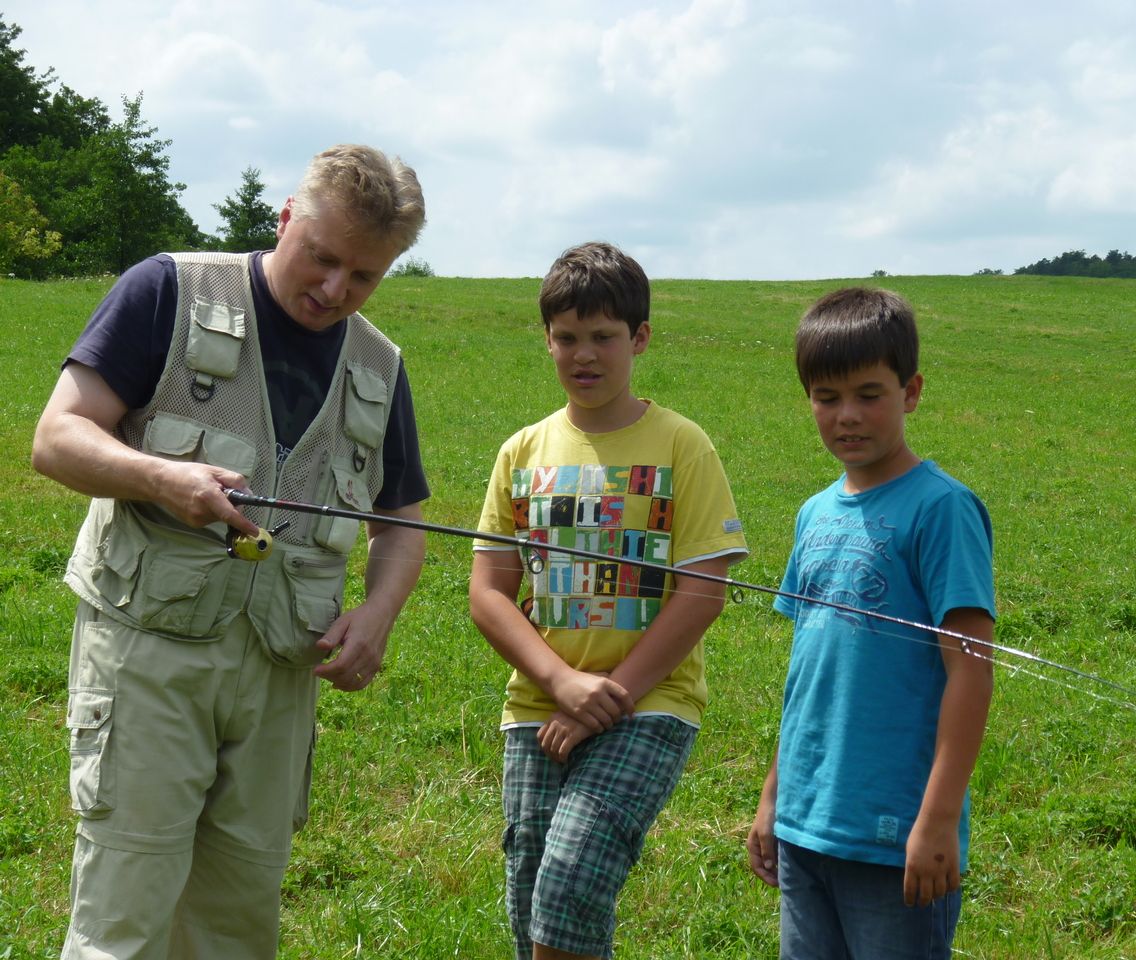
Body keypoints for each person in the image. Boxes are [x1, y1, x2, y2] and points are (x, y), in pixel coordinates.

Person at [31, 144, 430, 959]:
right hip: (148, 656)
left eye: (363, 276)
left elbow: (403, 522)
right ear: (285, 219)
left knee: (236, 927)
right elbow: (57, 437)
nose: (334, 290)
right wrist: (160, 478)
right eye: (321, 257)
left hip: (281, 673)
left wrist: (379, 613)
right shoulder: (168, 291)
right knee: (124, 918)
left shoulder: (380, 367)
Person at [469, 241, 749, 960]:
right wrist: (561, 683)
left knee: (571, 880)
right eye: (567, 337)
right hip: (538, 706)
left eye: (603, 336)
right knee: (530, 896)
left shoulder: (682, 444)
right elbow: (489, 594)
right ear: (547, 340)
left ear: (640, 338)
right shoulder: (522, 451)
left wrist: (607, 696)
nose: (583, 355)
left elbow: (704, 590)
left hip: (648, 702)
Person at [746, 287, 996, 960]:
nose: (847, 415)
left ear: (911, 392)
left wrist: (937, 819)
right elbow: (808, 676)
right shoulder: (813, 513)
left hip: (896, 835)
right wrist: (774, 798)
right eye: (827, 397)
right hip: (807, 825)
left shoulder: (942, 509)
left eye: (868, 394)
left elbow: (971, 671)